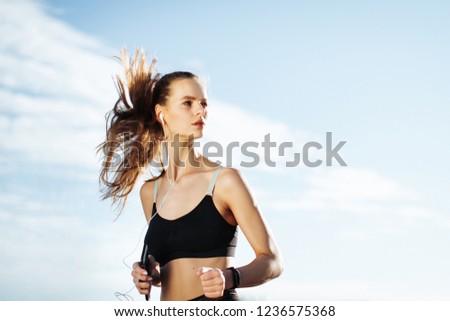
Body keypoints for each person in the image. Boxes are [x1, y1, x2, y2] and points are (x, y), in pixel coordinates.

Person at [99, 49, 283, 301]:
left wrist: (228, 277)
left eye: (203, 103)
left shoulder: (225, 180)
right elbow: (170, 268)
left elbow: (272, 261)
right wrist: (149, 274)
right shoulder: (149, 192)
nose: (200, 111)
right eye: (188, 103)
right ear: (160, 113)